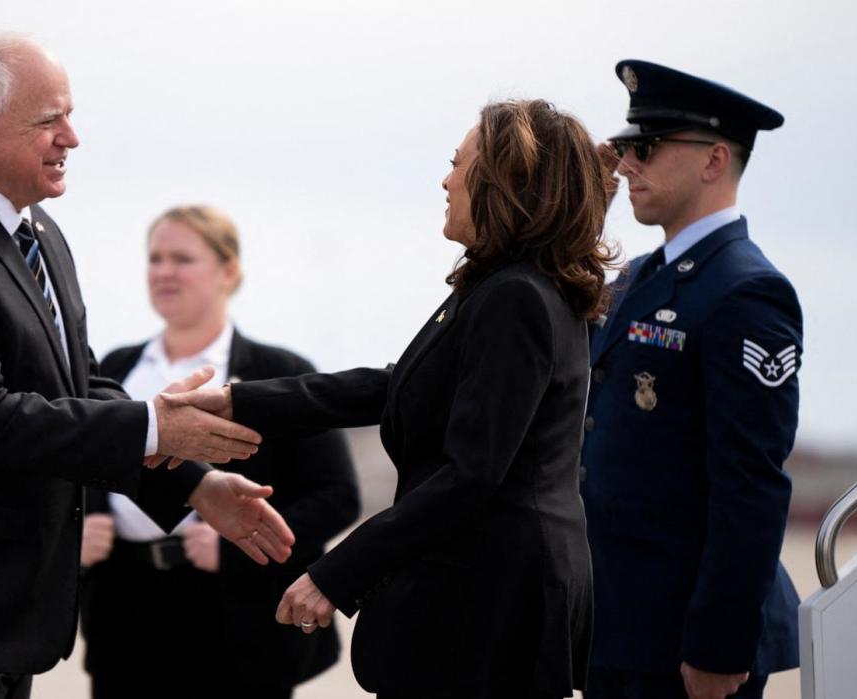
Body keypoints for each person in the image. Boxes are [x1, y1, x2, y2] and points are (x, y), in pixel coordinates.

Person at [0, 32, 294, 699]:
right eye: (49, 120)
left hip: (5, 618)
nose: (71, 138)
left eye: (69, 116)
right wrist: (154, 427)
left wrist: (192, 483)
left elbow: (79, 387)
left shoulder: (36, 231)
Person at [168, 99, 614, 699]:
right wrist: (241, 402)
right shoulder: (508, 286)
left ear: (502, 183)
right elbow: (396, 382)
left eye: (458, 163)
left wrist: (334, 575)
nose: (446, 179)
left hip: (493, 608)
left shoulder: (517, 297)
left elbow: (471, 477)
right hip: (490, 597)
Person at [580, 60, 802, 699]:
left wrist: (719, 644)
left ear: (714, 161)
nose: (626, 166)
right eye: (625, 148)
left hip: (687, 641)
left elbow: (751, 483)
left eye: (645, 148)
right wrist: (588, 208)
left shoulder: (747, 291)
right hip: (621, 624)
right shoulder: (643, 275)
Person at [77, 205, 361, 698]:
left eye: (182, 259)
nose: (164, 271)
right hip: (123, 606)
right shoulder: (116, 367)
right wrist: (83, 526)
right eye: (155, 258)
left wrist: (235, 550)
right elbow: (82, 460)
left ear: (228, 271)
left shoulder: (280, 372)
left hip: (241, 616)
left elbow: (338, 497)